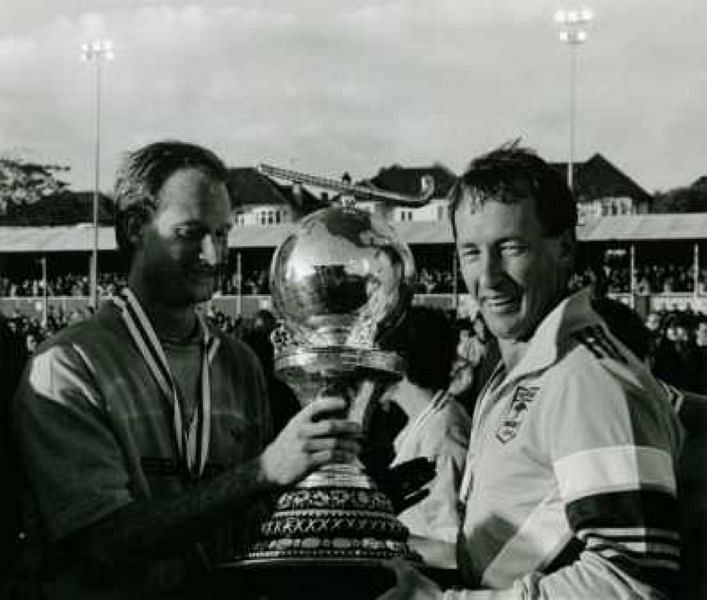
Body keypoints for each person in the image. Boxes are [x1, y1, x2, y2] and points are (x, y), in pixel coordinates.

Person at [13, 141, 360, 599]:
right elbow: (108, 540)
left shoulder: (239, 363)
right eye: (191, 232)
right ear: (136, 227)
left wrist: (333, 493)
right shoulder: (68, 366)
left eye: (222, 233)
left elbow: (252, 523)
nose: (215, 256)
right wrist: (261, 472)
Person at [379, 143, 682, 599]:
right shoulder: (523, 367)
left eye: (510, 247)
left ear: (563, 249)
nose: (489, 276)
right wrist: (387, 548)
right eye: (472, 253)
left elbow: (633, 581)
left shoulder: (587, 379)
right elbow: (502, 558)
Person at [379, 306, 471, 563]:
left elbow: (456, 552)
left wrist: (380, 541)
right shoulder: (427, 422)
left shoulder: (442, 435)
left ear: (398, 365)